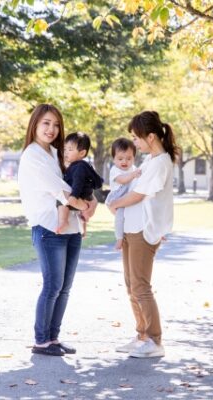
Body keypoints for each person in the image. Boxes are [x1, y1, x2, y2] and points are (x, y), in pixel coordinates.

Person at [17, 104, 96, 357]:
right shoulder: (32, 155)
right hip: (48, 227)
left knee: (64, 287)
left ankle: (53, 338)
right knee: (52, 285)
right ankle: (41, 341)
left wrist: (85, 203)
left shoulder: (54, 153)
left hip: (71, 227)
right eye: (46, 123)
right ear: (35, 125)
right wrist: (84, 204)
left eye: (56, 124)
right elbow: (63, 192)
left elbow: (74, 184)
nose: (52, 129)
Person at [108, 111, 179, 358]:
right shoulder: (150, 161)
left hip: (143, 231)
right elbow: (132, 188)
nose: (134, 144)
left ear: (150, 137)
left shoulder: (161, 162)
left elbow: (139, 195)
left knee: (140, 286)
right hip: (130, 229)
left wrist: (115, 204)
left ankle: (155, 340)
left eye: (137, 138)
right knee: (131, 286)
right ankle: (142, 336)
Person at [57, 132, 103, 235]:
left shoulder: (79, 167)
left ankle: (63, 221)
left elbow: (78, 182)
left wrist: (74, 196)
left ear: (82, 153)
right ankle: (84, 223)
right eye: (65, 149)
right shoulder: (77, 165)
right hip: (85, 194)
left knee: (61, 201)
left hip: (80, 193)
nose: (66, 153)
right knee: (78, 208)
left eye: (70, 150)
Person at [105, 138, 140, 250]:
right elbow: (123, 180)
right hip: (116, 196)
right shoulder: (115, 170)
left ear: (134, 158)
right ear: (114, 159)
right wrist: (134, 175)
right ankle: (119, 238)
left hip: (126, 197)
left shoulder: (134, 169)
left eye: (129, 158)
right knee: (120, 216)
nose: (124, 162)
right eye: (120, 159)